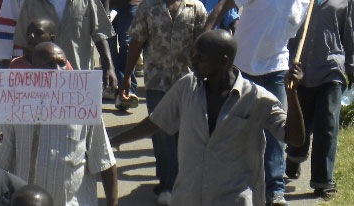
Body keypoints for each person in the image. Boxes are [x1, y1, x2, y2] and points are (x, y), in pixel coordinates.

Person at [111, 30, 305, 206]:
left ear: (223, 61)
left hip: (234, 200)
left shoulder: (256, 98)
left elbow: (295, 138)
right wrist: (115, 141)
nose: (192, 61)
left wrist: (292, 93)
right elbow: (156, 121)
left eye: (200, 58)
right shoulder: (186, 87)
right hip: (187, 199)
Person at [204, 0, 322, 204]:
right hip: (242, 68)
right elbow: (226, 3)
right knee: (233, 126)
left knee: (276, 131)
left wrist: (292, 66)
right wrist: (207, 35)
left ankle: (275, 190)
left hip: (275, 71)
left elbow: (290, 40)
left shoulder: (305, 0)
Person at [119, 0, 207, 202]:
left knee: (184, 135)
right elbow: (136, 42)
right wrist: (126, 78)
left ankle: (177, 181)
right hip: (157, 83)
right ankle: (168, 184)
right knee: (161, 133)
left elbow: (203, 47)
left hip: (188, 83)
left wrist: (206, 80)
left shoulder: (196, 8)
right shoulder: (147, 7)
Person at [0, 42, 118, 206]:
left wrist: (113, 203)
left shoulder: (83, 105)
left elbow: (104, 159)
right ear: (33, 69)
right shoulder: (16, 108)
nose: (58, 71)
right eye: (48, 65)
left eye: (62, 63)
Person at [285, 0, 354, 198]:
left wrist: (351, 67)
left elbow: (349, 34)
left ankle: (324, 180)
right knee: (301, 123)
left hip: (331, 69)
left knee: (328, 123)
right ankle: (294, 157)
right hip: (300, 68)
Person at [15, 0, 117, 89]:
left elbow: (100, 35)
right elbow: (24, 43)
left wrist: (109, 68)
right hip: (42, 82)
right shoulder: (32, 0)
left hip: (79, 78)